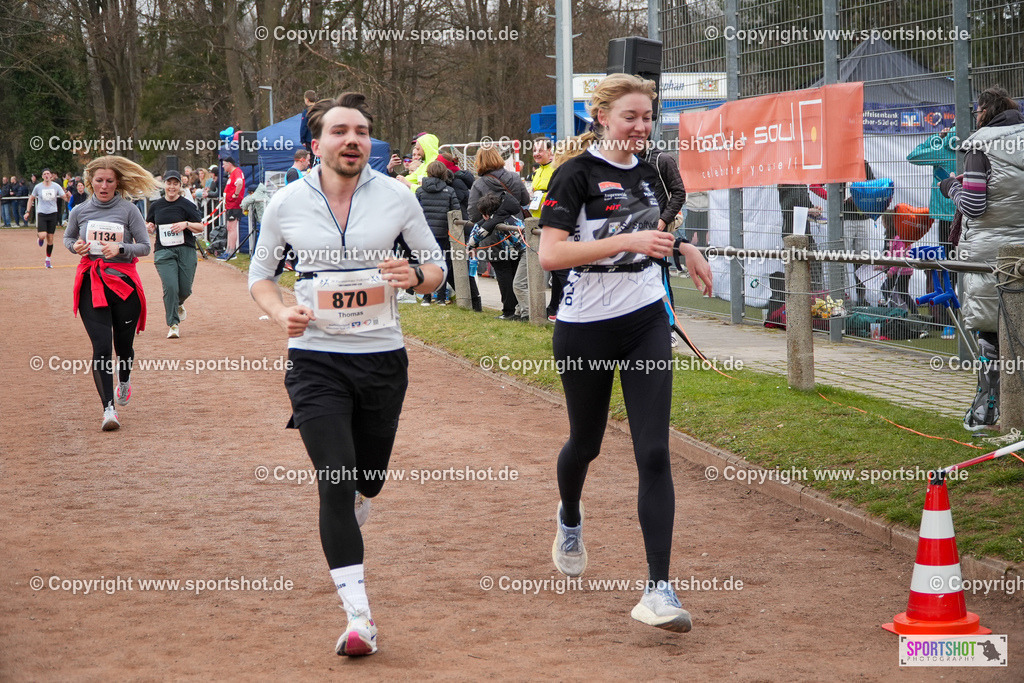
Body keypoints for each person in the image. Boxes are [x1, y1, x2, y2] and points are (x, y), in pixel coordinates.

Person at [248, 92, 446, 657]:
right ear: (318, 144)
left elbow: (437, 269)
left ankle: (357, 501)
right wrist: (281, 311)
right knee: (334, 479)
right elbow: (260, 277)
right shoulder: (285, 202)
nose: (352, 139)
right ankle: (359, 617)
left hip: (383, 359)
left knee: (368, 479)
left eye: (361, 131)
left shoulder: (398, 197)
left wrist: (415, 276)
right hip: (315, 360)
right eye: (340, 131)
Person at [537, 73, 712, 633]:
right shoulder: (574, 174)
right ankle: (569, 517)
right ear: (603, 117)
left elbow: (649, 231)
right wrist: (630, 242)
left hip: (644, 322)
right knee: (584, 443)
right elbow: (551, 255)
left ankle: (658, 589)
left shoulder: (654, 173)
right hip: (584, 327)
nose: (641, 127)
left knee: (654, 452)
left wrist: (682, 247)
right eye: (630, 117)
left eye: (647, 117)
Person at [939, 86, 1024, 431]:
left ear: (985, 111)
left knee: (992, 337)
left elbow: (975, 205)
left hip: (991, 257)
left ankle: (987, 415)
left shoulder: (979, 144)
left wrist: (952, 188)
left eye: (976, 112)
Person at [63, 156, 154, 430]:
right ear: (90, 181)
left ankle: (123, 379)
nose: (104, 186)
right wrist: (75, 246)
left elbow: (145, 246)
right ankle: (108, 410)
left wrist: (122, 249)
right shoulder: (79, 211)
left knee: (123, 347)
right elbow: (68, 238)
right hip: (92, 284)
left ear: (118, 183)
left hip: (124, 285)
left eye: (109, 181)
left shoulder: (129, 211)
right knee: (101, 347)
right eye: (99, 181)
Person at [468, 146, 530, 319]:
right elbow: (525, 201)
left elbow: (473, 212)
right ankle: (522, 309)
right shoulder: (515, 178)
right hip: (516, 231)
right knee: (519, 273)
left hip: (494, 235)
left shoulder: (479, 184)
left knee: (503, 272)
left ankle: (509, 311)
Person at [145, 170, 204, 339]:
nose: (171, 187)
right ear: (164, 185)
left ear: (180, 186)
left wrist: (185, 224)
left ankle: (178, 303)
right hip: (164, 251)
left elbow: (200, 227)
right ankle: (173, 324)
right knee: (170, 287)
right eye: (169, 183)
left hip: (186, 249)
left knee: (184, 289)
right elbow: (150, 223)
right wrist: (150, 227)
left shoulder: (186, 205)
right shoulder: (156, 205)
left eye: (175, 184)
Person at [528, 138, 565, 322]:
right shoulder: (537, 171)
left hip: (552, 224)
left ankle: (559, 306)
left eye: (540, 150)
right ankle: (553, 307)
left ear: (551, 152)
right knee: (553, 269)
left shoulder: (555, 169)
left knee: (557, 268)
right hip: (536, 223)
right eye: (534, 150)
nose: (536, 153)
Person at [415, 160, 461, 305]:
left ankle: (427, 297)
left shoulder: (420, 191)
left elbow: (414, 212)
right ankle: (441, 297)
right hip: (443, 234)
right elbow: (456, 212)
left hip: (425, 234)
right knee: (443, 264)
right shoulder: (449, 191)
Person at [25, 169, 70, 268]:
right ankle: (40, 238)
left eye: (48, 174)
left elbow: (65, 198)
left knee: (50, 239)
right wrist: (27, 211)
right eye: (44, 174)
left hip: (53, 213)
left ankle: (48, 259)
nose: (46, 175)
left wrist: (69, 197)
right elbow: (31, 198)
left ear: (51, 176)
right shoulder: (38, 187)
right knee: (42, 235)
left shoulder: (56, 186)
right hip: (42, 213)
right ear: (42, 176)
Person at [220, 156, 244, 259]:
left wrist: (236, 194)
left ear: (230, 164)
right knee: (230, 227)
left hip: (234, 205)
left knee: (232, 227)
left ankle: (231, 252)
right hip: (230, 205)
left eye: (224, 164)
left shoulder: (236, 172)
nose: (223, 166)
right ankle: (228, 250)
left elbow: (239, 183)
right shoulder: (232, 174)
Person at [299, 89, 316, 155]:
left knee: (311, 158)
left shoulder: (307, 112)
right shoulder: (320, 110)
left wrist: (302, 140)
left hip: (309, 139)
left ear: (307, 100)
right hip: (319, 138)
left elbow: (304, 126)